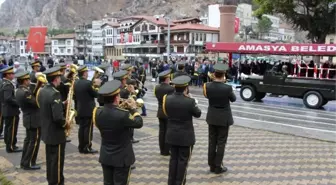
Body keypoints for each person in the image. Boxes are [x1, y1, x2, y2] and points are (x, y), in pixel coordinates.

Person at [93, 80, 143, 185]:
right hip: (122, 158)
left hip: (106, 156)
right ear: (116, 97)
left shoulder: (97, 112)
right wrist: (134, 109)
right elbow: (138, 123)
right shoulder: (123, 114)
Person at [163, 75, 202, 185]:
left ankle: (171, 182)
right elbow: (198, 114)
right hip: (186, 137)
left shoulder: (167, 99)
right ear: (186, 88)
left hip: (171, 134)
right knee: (183, 162)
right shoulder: (189, 101)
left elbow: (166, 113)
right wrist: (194, 102)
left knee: (173, 160)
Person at [203, 63, 236, 174]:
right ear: (223, 75)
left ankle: (211, 165)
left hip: (212, 117)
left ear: (214, 74)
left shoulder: (207, 86)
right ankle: (218, 166)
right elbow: (233, 99)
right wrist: (224, 84)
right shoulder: (227, 88)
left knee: (212, 142)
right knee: (221, 142)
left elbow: (207, 96)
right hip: (223, 118)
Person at [37, 66, 67, 185]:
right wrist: (66, 123)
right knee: (57, 161)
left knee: (50, 160)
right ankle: (57, 182)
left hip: (47, 131)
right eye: (59, 77)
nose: (60, 80)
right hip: (56, 134)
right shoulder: (55, 94)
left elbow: (46, 107)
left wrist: (62, 105)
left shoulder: (43, 90)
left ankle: (51, 180)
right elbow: (58, 118)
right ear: (56, 78)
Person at [15, 71, 41, 170]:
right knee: (34, 142)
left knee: (28, 141)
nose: (29, 81)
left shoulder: (19, 90)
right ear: (24, 81)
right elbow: (36, 103)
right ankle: (29, 163)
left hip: (28, 119)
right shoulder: (26, 92)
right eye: (28, 80)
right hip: (34, 120)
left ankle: (24, 161)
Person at [74, 65, 100, 154]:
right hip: (88, 110)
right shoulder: (87, 83)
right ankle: (87, 147)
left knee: (81, 128)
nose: (88, 73)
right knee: (88, 129)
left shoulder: (76, 82)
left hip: (80, 108)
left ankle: (81, 146)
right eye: (87, 72)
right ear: (84, 73)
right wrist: (97, 86)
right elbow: (95, 94)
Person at [0, 66, 21, 153]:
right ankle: (11, 146)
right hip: (11, 110)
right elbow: (8, 98)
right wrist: (18, 103)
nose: (13, 75)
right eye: (12, 74)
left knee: (8, 129)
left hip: (6, 110)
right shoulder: (8, 85)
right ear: (7, 75)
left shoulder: (3, 82)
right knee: (11, 129)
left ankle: (8, 144)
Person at [154, 69, 174, 156]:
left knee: (161, 132)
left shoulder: (157, 87)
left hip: (160, 112)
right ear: (166, 79)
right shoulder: (170, 88)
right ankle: (166, 150)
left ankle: (162, 150)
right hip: (168, 113)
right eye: (169, 78)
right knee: (168, 132)